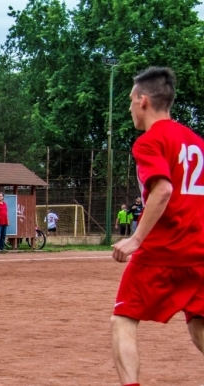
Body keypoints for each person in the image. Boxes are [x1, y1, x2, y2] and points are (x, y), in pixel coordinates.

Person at [111, 67, 204, 386]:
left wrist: (136, 239)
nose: (129, 107)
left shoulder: (150, 141)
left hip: (162, 251)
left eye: (130, 100)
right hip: (199, 250)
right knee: (198, 323)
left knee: (123, 319)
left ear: (144, 101)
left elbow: (163, 190)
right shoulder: (196, 142)